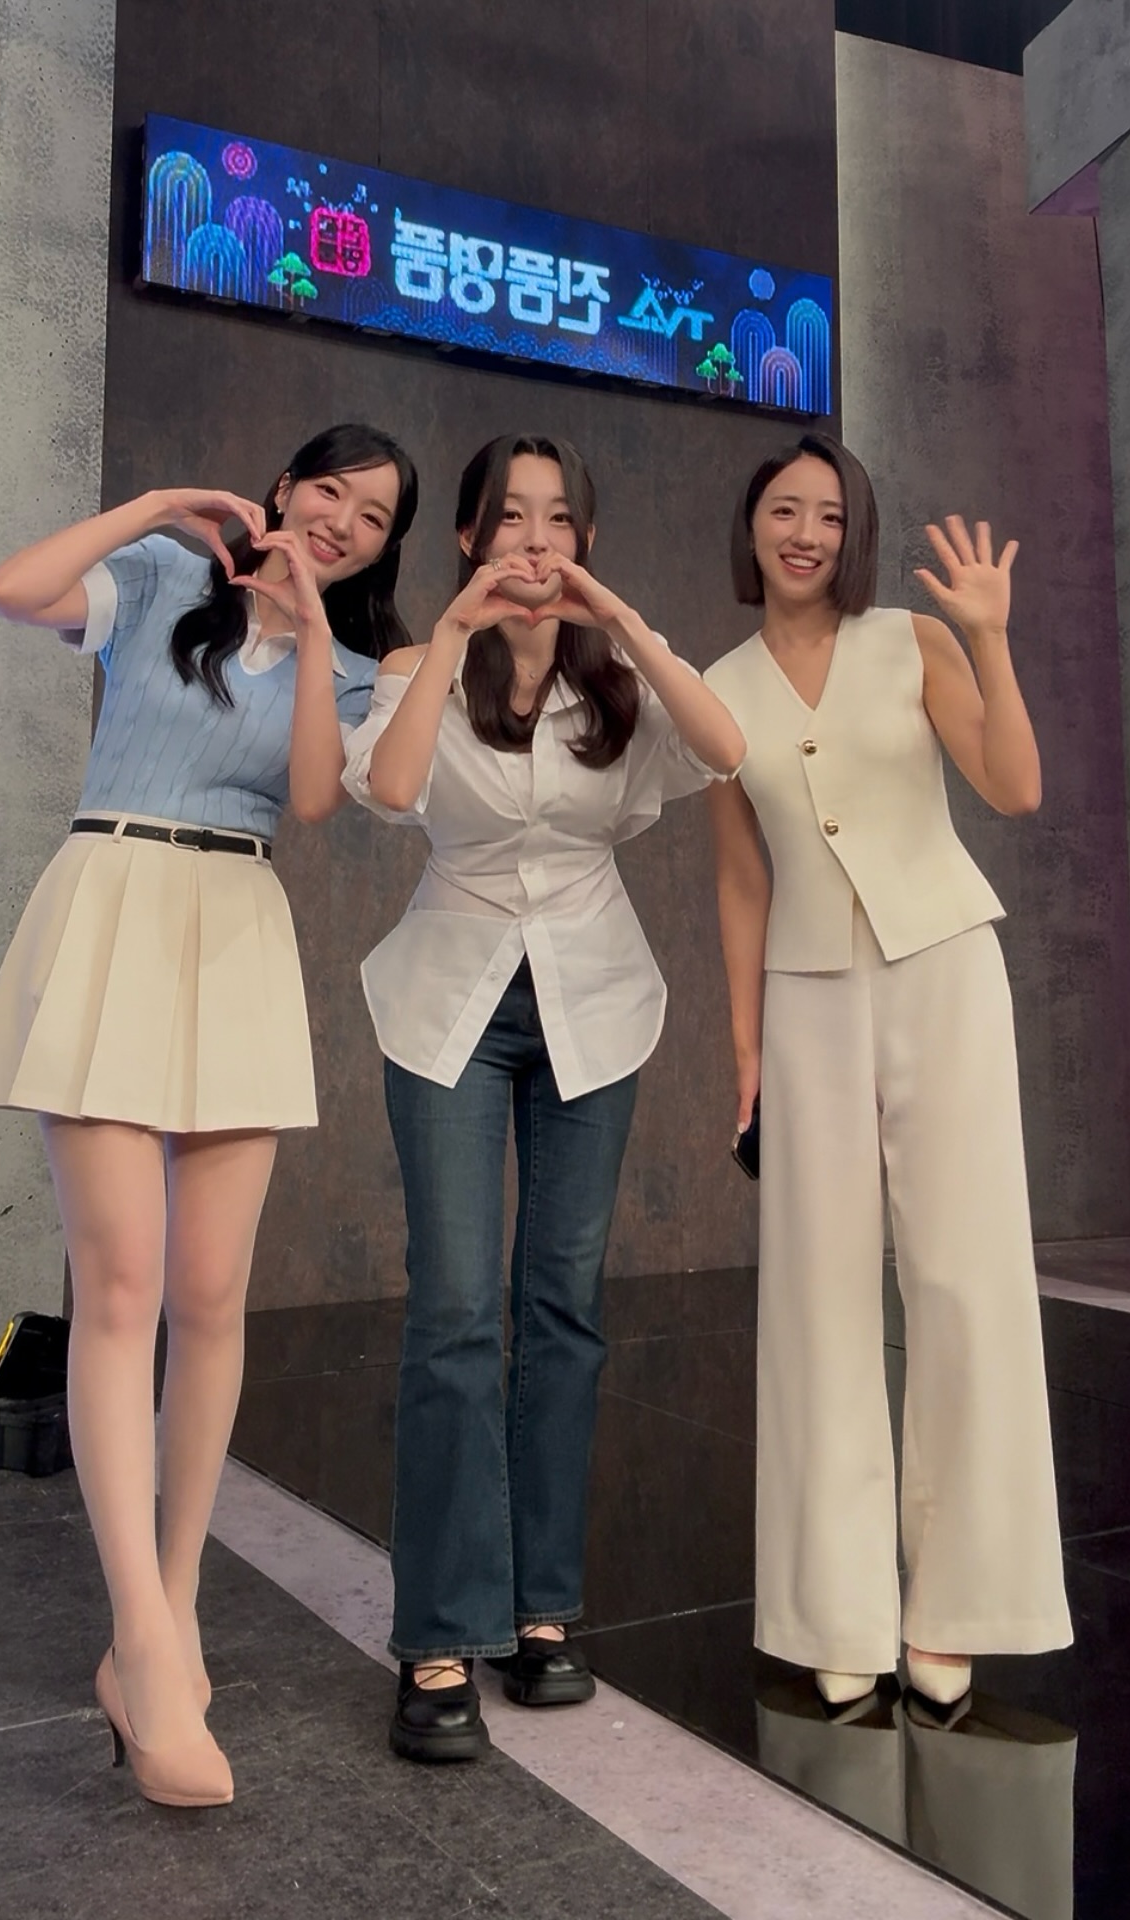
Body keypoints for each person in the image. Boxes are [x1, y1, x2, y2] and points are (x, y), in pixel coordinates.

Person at [0, 425, 419, 1804]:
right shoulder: (164, 580)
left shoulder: (356, 664)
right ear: (281, 490)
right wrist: (161, 505)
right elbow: (10, 587)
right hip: (109, 898)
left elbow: (316, 799)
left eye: (374, 516)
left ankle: (173, 1608)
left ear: (384, 549)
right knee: (120, 1287)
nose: (342, 520)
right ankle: (145, 1642)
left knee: (211, 1296)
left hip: (236, 922)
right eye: (328, 490)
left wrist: (315, 624)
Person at [342, 433, 745, 1762]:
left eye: (558, 520)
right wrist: (456, 631)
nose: (532, 541)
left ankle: (543, 1610)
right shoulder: (417, 667)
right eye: (508, 518)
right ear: (466, 537)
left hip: (593, 1001)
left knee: (562, 1309)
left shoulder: (620, 675)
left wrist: (616, 617)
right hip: (449, 1005)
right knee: (457, 1310)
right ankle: (440, 1631)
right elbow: (390, 790)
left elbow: (727, 748)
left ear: (583, 540)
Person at [705, 432, 1071, 1721]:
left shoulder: (914, 641)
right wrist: (745, 1045)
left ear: (852, 531)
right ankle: (835, 1611)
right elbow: (740, 877)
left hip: (943, 967)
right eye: (783, 510)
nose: (804, 532)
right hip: (804, 995)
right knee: (816, 1293)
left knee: (966, 1277)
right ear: (751, 526)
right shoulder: (718, 686)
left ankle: (961, 1607)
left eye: (827, 513)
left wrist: (990, 640)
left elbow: (1014, 788)